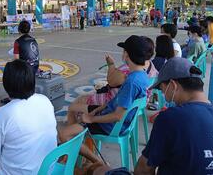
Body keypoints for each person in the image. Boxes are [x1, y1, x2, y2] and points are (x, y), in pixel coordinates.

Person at [59, 35, 150, 164]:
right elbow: (116, 102)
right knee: (77, 114)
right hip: (113, 116)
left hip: (109, 125)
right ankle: (75, 149)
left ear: (127, 55)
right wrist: (98, 109)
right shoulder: (141, 75)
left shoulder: (131, 82)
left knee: (64, 134)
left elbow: (118, 116)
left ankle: (98, 161)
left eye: (124, 51)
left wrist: (91, 118)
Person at [0, 60, 57, 175]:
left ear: (6, 85)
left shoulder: (2, 115)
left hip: (16, 172)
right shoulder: (44, 100)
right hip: (48, 169)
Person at [134, 57, 213, 175]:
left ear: (173, 85)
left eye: (162, 89)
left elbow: (144, 169)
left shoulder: (170, 118)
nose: (163, 94)